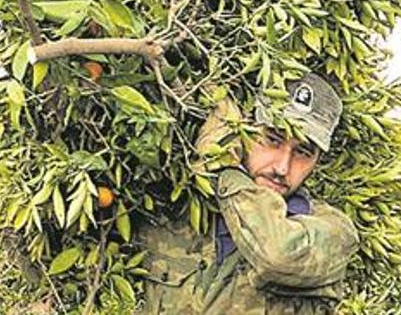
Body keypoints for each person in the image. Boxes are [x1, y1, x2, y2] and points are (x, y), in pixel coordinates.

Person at [136, 73, 359, 314]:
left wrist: (223, 166)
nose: (282, 167)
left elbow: (277, 254)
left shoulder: (333, 231)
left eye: (303, 152)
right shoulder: (171, 211)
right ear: (244, 127)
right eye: (272, 139)